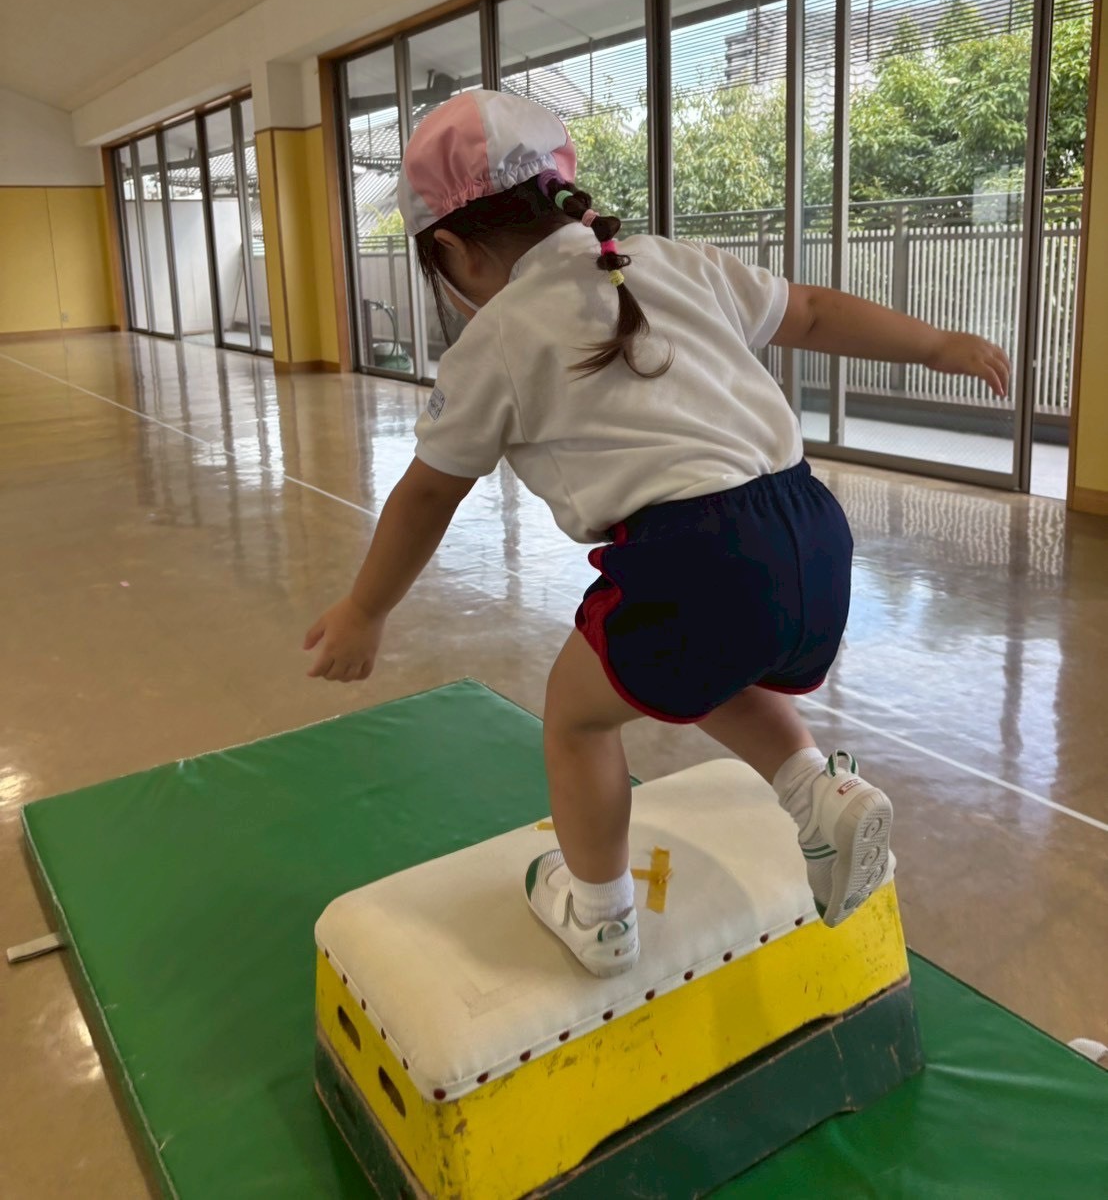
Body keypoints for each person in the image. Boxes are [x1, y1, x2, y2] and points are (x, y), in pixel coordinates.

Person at [305, 89, 1010, 978]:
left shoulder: (496, 340)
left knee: (576, 716)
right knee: (690, 660)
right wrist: (939, 344)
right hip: (814, 538)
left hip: (696, 558)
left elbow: (426, 495)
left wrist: (366, 610)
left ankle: (600, 916)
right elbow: (812, 310)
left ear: (450, 249)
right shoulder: (674, 261)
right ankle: (820, 793)